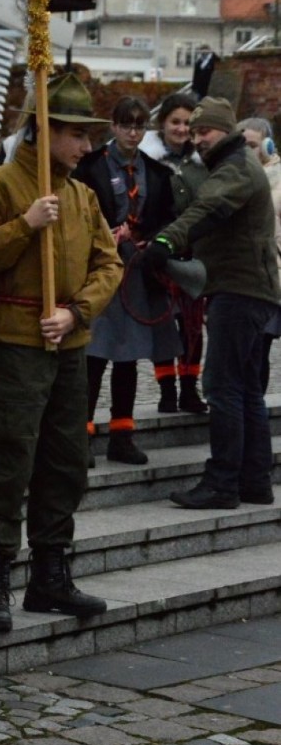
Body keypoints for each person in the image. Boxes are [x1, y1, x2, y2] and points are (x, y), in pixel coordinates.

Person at [0, 72, 121, 634]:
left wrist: (76, 312)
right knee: (11, 461)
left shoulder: (82, 195)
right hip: (17, 344)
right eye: (76, 134)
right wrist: (25, 226)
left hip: (68, 342)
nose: (86, 146)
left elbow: (109, 264)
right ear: (45, 129)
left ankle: (50, 574)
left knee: (65, 462)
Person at [142, 97, 281, 509]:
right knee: (245, 391)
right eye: (195, 131)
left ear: (227, 131)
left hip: (239, 292)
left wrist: (166, 240)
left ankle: (222, 483)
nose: (198, 138)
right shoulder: (232, 164)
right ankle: (255, 482)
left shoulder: (235, 168)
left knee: (222, 388)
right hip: (250, 291)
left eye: (206, 131)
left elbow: (208, 207)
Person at [75, 96, 180, 465]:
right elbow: (75, 215)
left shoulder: (156, 171)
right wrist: (103, 234)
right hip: (99, 271)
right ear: (113, 126)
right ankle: (81, 437)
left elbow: (168, 217)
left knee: (129, 357)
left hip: (137, 273)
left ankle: (122, 435)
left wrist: (152, 240)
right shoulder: (89, 167)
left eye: (140, 126)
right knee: (94, 357)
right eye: (126, 125)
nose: (133, 133)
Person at [140, 92, 209, 413]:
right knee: (164, 325)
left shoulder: (203, 163)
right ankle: (167, 389)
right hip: (158, 255)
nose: (181, 129)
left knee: (193, 327)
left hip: (194, 254)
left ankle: (189, 389)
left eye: (187, 123)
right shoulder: (148, 162)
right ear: (163, 124)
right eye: (175, 122)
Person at [236, 117, 281, 392]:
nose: (246, 151)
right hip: (241, 275)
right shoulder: (236, 174)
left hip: (269, 275)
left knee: (258, 349)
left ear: (267, 145)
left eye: (252, 145)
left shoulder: (274, 179)